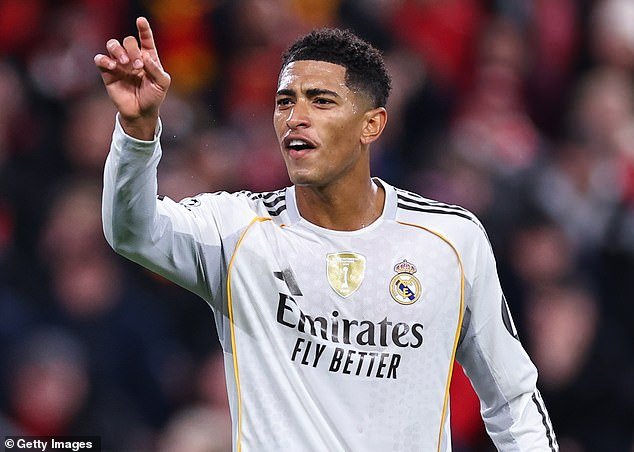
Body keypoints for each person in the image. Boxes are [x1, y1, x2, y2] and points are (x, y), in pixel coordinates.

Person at [95, 17, 558, 451]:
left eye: (320, 101)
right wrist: (137, 132)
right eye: (285, 101)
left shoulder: (450, 241)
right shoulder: (236, 231)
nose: (295, 116)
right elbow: (132, 231)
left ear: (371, 125)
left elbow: (512, 399)